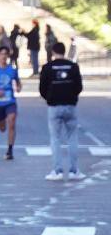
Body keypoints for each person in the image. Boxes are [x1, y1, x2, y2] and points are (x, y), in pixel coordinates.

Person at [39, 42, 84, 181]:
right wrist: (72, 96)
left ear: (53, 52)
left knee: (55, 139)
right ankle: (74, 170)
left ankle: (57, 171)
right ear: (64, 51)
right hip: (70, 105)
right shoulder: (73, 66)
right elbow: (79, 86)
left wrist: (49, 98)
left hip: (54, 106)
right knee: (72, 137)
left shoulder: (47, 67)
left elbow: (42, 88)